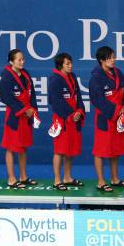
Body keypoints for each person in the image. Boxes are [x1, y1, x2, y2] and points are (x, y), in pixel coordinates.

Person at [89, 46, 124, 192]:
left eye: (113, 57)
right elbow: (97, 100)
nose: (113, 60)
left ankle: (115, 179)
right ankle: (101, 181)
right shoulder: (96, 78)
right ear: (101, 60)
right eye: (109, 58)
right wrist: (116, 111)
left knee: (116, 149)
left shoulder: (119, 73)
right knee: (101, 151)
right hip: (105, 118)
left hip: (119, 118)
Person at [0, 49, 38, 189]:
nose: (22, 62)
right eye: (19, 60)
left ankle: (23, 177)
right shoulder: (6, 75)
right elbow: (5, 97)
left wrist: (32, 110)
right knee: (11, 148)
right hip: (14, 117)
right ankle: (11, 178)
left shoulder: (26, 74)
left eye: (23, 59)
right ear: (11, 61)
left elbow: (32, 93)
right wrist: (23, 110)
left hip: (26, 116)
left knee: (23, 147)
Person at [48, 53, 85, 191]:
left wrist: (80, 111)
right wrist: (71, 114)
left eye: (71, 63)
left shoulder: (73, 77)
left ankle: (67, 177)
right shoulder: (54, 80)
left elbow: (78, 97)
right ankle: (57, 180)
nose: (70, 66)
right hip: (62, 120)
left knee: (70, 150)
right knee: (60, 150)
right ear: (60, 65)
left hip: (74, 119)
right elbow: (56, 102)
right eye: (67, 64)